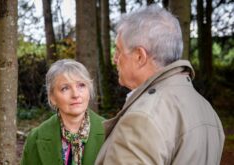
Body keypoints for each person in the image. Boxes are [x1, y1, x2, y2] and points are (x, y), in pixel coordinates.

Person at [95, 4, 225, 165]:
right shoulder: (206, 108)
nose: (115, 58)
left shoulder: (143, 118)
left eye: (119, 50)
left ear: (139, 56)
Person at [21, 59, 105, 165]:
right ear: (52, 97)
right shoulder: (35, 138)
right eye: (65, 88)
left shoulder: (111, 132)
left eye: (81, 85)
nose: (75, 94)